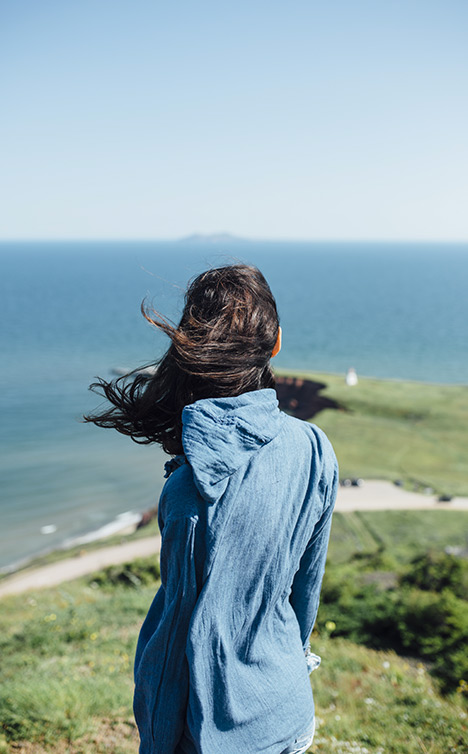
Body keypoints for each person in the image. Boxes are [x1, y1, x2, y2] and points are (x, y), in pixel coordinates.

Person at [84, 264, 338, 754]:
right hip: (287, 710)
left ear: (190, 349)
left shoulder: (187, 488)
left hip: (211, 735)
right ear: (277, 342)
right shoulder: (315, 445)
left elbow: (180, 639)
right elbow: (307, 587)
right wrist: (291, 662)